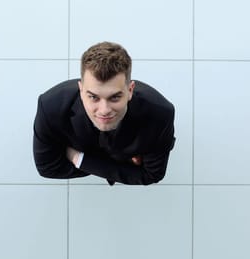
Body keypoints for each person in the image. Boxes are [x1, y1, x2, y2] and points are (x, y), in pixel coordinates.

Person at [32, 41, 175, 185]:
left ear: (130, 90)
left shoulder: (159, 113)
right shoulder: (51, 106)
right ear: (81, 90)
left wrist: (77, 157)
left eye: (115, 97)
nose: (104, 110)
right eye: (93, 97)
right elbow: (47, 168)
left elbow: (152, 174)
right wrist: (122, 163)